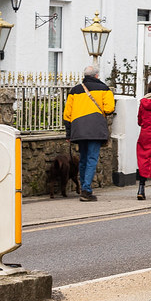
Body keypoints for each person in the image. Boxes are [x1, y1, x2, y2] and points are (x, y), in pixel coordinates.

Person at [63, 65, 115, 202]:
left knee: (83, 159)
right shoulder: (105, 89)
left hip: (79, 128)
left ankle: (82, 188)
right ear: (97, 75)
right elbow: (109, 108)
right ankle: (86, 190)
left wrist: (68, 134)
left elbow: (67, 114)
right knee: (92, 159)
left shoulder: (75, 90)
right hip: (95, 128)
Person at [135, 80, 151, 201]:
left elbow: (139, 121)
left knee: (143, 160)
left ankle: (141, 188)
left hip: (145, 134)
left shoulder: (143, 102)